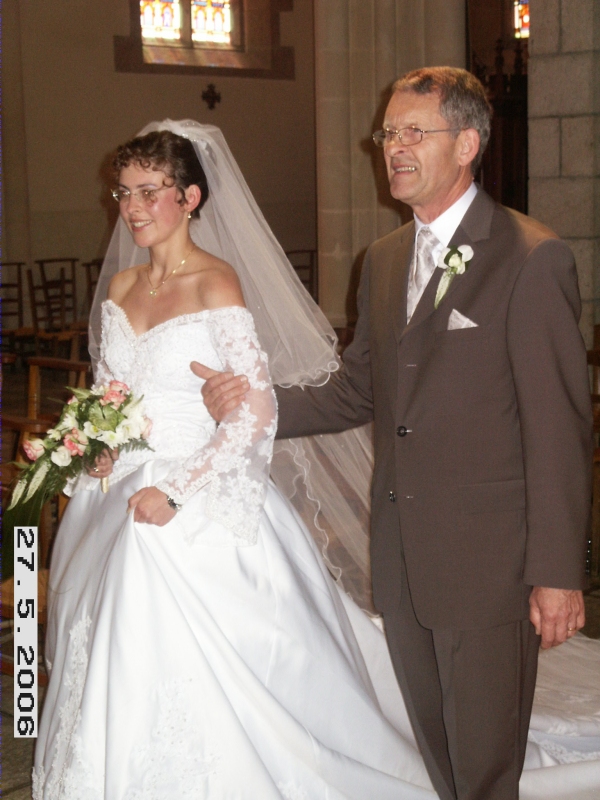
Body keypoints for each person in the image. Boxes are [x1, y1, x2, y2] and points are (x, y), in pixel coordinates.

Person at [197, 68, 594, 800]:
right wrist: (255, 404)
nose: (395, 148)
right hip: (405, 554)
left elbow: (558, 430)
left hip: (490, 562)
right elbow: (358, 389)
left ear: (467, 143)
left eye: (416, 132)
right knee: (439, 752)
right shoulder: (382, 261)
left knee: (485, 763)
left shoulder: (531, 258)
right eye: (389, 132)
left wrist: (558, 572)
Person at [33, 121, 441, 799]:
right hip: (122, 484)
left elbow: (251, 412)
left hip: (194, 484)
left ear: (189, 197)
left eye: (148, 192)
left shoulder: (216, 283)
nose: (131, 207)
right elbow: (111, 395)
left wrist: (179, 491)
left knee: (151, 559)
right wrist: (92, 451)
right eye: (124, 192)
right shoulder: (120, 291)